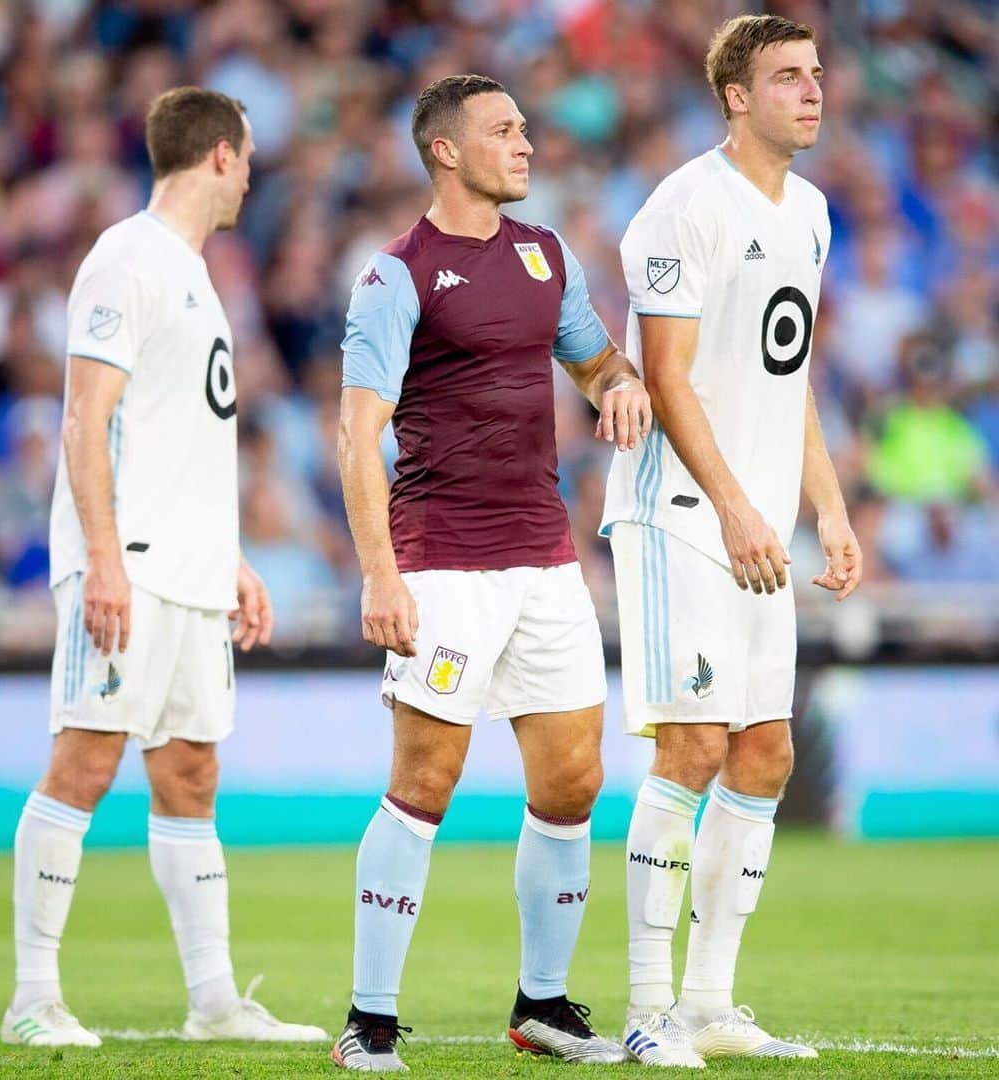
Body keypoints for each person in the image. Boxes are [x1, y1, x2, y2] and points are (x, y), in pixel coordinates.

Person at [332, 74, 652, 1071]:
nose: (525, 142)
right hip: (443, 561)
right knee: (424, 781)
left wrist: (623, 385)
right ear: (444, 150)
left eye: (524, 126)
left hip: (546, 556)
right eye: (502, 130)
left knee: (574, 781)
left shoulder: (544, 254)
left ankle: (543, 1008)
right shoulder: (398, 275)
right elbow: (355, 435)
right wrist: (382, 575)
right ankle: (369, 1022)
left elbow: (595, 362)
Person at [1, 86, 327, 1048]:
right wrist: (102, 558)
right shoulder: (127, 259)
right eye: (250, 154)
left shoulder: (194, 273)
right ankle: (31, 999)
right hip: (129, 565)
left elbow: (184, 439)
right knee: (86, 759)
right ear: (220, 155)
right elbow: (83, 417)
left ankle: (215, 1003)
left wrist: (231, 560)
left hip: (189, 571)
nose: (253, 172)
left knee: (189, 773)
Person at [600, 15, 862, 1067]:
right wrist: (740, 510)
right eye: (787, 76)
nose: (812, 90)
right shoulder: (682, 208)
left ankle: (711, 1002)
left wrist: (829, 506)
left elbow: (784, 376)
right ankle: (643, 1008)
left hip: (761, 524)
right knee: (694, 745)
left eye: (817, 73)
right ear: (735, 97)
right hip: (679, 518)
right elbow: (665, 378)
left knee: (767, 750)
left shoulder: (811, 213)